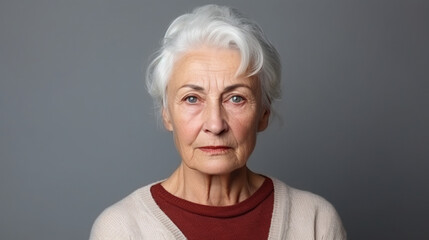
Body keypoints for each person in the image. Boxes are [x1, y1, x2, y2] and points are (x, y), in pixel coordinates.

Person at [90, 4, 346, 240]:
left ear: (264, 114)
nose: (215, 124)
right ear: (166, 114)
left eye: (236, 98)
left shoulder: (315, 222)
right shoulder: (122, 229)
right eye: (192, 98)